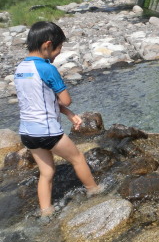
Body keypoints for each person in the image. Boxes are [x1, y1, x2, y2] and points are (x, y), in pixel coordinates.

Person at [14, 21, 100, 217]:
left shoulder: (20, 68)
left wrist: (69, 115)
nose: (59, 53)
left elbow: (39, 101)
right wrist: (68, 105)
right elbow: (65, 99)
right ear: (47, 45)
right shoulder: (47, 69)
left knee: (47, 173)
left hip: (27, 133)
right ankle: (94, 191)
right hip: (47, 131)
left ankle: (46, 211)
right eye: (59, 48)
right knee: (78, 159)